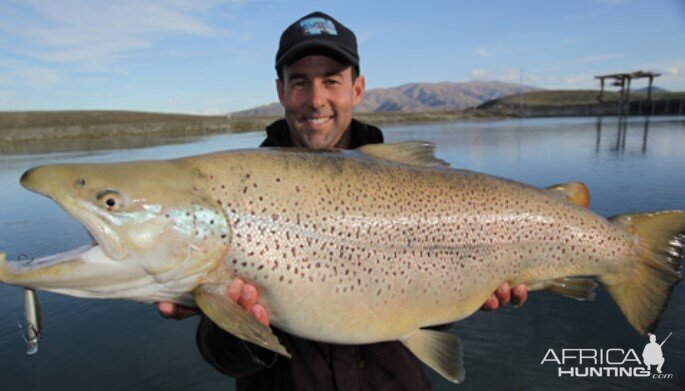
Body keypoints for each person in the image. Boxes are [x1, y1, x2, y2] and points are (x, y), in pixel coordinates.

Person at [157, 11, 528, 390]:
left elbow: (426, 302)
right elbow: (223, 359)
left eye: (331, 81)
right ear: (281, 91)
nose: (316, 100)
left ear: (358, 89)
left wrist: (471, 291)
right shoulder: (236, 195)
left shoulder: (415, 189)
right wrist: (238, 325)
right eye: (300, 82)